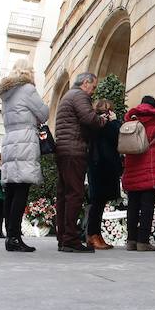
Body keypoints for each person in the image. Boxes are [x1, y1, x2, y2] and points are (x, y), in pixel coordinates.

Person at [0, 58, 49, 252]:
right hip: (25, 141)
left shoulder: (7, 93)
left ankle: (10, 236)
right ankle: (15, 237)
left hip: (10, 140)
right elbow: (44, 113)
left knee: (11, 190)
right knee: (21, 190)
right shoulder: (27, 90)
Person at [54, 72, 106, 253]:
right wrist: (103, 120)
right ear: (85, 83)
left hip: (63, 149)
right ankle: (70, 239)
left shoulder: (68, 96)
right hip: (74, 150)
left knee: (64, 195)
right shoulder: (79, 95)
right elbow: (89, 119)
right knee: (75, 194)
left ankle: (63, 238)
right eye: (93, 87)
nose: (93, 92)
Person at [123, 96, 155, 252]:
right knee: (147, 206)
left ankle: (131, 240)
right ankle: (143, 242)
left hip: (132, 165)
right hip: (151, 167)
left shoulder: (130, 119)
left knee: (132, 205)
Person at [85, 99, 122, 250]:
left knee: (99, 204)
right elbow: (117, 135)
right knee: (97, 203)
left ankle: (96, 234)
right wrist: (114, 121)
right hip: (101, 165)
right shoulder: (104, 124)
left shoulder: (95, 122)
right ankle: (93, 235)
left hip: (99, 165)